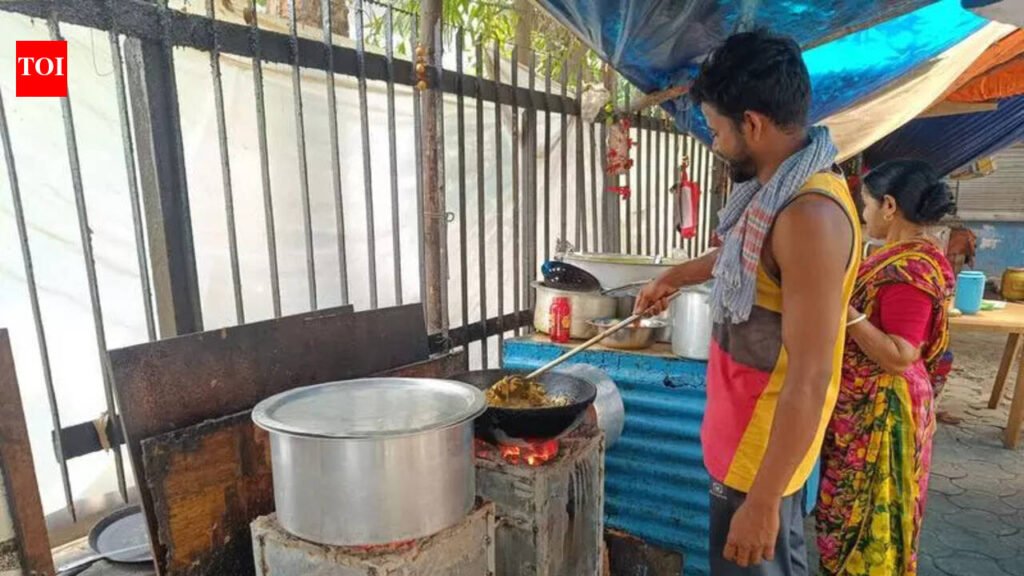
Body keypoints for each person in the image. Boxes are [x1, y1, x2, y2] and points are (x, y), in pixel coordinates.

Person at [634, 30, 861, 575]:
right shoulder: (776, 192)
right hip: (743, 439)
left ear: (752, 124)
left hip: (763, 456)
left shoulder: (808, 217)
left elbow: (810, 373)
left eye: (715, 130)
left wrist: (762, 503)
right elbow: (751, 257)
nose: (714, 144)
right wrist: (678, 274)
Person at [815, 160, 955, 576]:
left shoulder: (909, 271)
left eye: (867, 204)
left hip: (884, 411)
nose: (863, 214)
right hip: (866, 404)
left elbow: (900, 354)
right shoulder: (898, 256)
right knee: (851, 512)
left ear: (889, 206)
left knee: (872, 520)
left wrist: (843, 310)